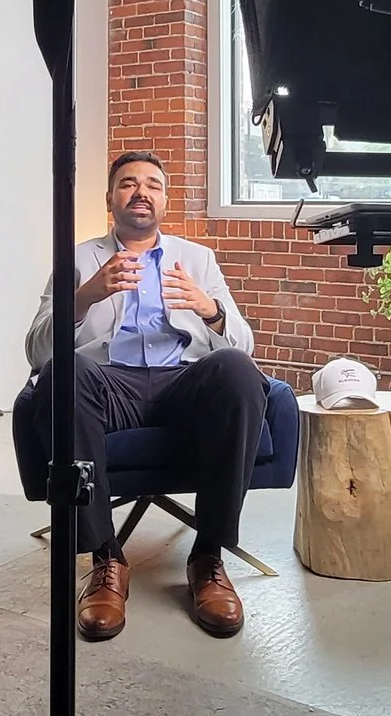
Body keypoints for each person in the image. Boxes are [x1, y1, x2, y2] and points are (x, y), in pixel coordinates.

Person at [17, 152, 266, 642]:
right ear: (110, 198)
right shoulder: (78, 258)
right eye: (128, 184)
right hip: (111, 383)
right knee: (66, 374)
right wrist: (83, 297)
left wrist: (211, 311)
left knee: (237, 369)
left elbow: (244, 344)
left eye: (153, 184)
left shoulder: (197, 259)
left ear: (165, 199)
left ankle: (208, 556)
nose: (140, 191)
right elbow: (36, 351)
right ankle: (106, 557)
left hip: (182, 381)